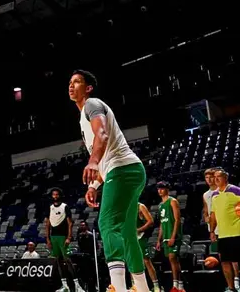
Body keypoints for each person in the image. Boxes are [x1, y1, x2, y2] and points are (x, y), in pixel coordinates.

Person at [69, 69, 151, 292]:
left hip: (123, 171)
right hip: (130, 171)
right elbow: (106, 153)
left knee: (107, 224)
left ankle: (118, 286)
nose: (71, 85)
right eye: (70, 82)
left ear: (88, 88)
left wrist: (93, 162)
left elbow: (102, 135)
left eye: (77, 82)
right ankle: (142, 288)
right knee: (127, 233)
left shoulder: (92, 104)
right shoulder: (82, 117)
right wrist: (95, 184)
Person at [208, 168, 240, 292]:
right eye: (214, 177)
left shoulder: (234, 190)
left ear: (226, 177)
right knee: (225, 262)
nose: (216, 179)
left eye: (218, 176)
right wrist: (212, 231)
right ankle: (231, 288)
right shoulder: (214, 195)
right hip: (223, 235)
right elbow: (213, 215)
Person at [205, 166, 240, 290]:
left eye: (213, 177)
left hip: (229, 226)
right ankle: (230, 285)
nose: (211, 180)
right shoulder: (206, 195)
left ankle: (237, 281)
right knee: (223, 257)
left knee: (234, 257)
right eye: (208, 178)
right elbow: (207, 210)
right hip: (215, 228)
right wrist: (206, 218)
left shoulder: (228, 190)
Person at [46, 187, 84, 292]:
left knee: (68, 260)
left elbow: (70, 223)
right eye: (53, 194)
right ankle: (65, 286)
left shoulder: (65, 207)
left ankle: (77, 286)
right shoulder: (50, 208)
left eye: (57, 194)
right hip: (53, 237)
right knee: (58, 261)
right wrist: (48, 239)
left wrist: (69, 237)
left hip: (63, 236)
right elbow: (47, 224)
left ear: (60, 195)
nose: (55, 196)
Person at [155, 181, 184, 292]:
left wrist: (173, 236)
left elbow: (177, 220)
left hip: (173, 235)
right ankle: (180, 285)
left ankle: (175, 285)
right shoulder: (160, 205)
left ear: (167, 189)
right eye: (158, 189)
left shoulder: (173, 201)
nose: (160, 191)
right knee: (173, 260)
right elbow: (162, 223)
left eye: (162, 188)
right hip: (165, 235)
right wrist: (159, 240)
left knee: (172, 257)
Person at [136, 202, 160, 292]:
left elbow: (150, 221)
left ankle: (156, 286)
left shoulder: (140, 206)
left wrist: (139, 229)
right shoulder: (126, 207)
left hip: (140, 237)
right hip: (130, 238)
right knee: (132, 262)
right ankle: (135, 286)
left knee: (146, 261)